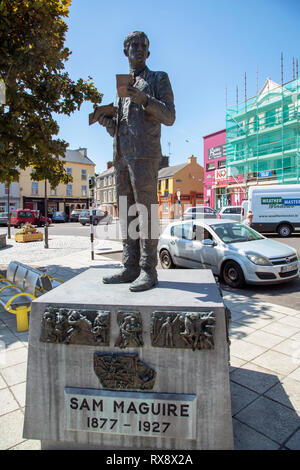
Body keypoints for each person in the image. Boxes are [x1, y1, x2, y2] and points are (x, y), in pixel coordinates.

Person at [98, 31, 175, 291]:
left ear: (148, 52)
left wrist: (146, 99)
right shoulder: (121, 87)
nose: (139, 49)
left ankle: (148, 269)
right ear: (126, 51)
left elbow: (169, 116)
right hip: (121, 157)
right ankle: (129, 266)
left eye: (143, 46)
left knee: (147, 213)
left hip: (144, 155)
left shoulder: (157, 78)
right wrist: (109, 124)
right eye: (134, 45)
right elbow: (123, 125)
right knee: (127, 214)